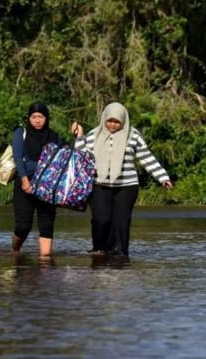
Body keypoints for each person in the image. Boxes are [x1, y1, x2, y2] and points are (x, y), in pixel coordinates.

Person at [71, 102, 172, 256]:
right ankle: (99, 248)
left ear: (123, 121)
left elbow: (146, 157)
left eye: (117, 121)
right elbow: (82, 158)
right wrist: (79, 137)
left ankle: (120, 253)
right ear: (104, 119)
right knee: (101, 219)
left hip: (126, 185)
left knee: (121, 222)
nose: (113, 125)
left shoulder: (133, 135)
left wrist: (162, 177)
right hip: (99, 184)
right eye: (110, 121)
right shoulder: (93, 135)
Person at [10, 102, 64, 257]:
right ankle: (15, 250)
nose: (37, 120)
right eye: (33, 117)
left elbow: (65, 157)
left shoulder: (54, 136)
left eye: (41, 117)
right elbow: (18, 159)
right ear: (29, 118)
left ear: (46, 118)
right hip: (25, 183)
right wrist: (25, 181)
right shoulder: (21, 133)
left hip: (48, 186)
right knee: (23, 225)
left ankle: (45, 261)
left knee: (46, 223)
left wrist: (77, 136)